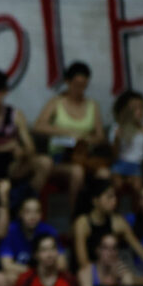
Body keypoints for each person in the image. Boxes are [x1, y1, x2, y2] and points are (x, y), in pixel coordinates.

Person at [33, 61, 107, 208]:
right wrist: (68, 133)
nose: (80, 89)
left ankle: (100, 215)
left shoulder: (92, 105)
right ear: (68, 82)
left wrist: (85, 139)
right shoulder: (56, 102)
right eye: (76, 84)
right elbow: (38, 126)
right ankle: (75, 216)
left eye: (84, 85)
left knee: (104, 173)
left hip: (84, 157)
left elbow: (100, 137)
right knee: (77, 172)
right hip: (60, 158)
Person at [0, 69, 52, 192]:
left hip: (11, 166)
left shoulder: (15, 115)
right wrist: (5, 147)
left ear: (5, 92)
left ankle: (28, 198)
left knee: (44, 162)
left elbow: (30, 148)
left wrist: (22, 152)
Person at [72, 179, 143, 281]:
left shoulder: (117, 222)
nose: (114, 201)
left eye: (115, 196)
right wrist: (104, 274)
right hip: (87, 275)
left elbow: (142, 252)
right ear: (95, 201)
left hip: (110, 271)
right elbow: (83, 262)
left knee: (127, 275)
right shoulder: (82, 223)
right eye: (109, 197)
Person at [0, 196, 66, 286]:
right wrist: (33, 272)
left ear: (41, 214)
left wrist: (40, 272)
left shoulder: (49, 231)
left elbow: (62, 264)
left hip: (45, 274)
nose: (32, 216)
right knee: (10, 277)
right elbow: (7, 265)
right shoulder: (10, 231)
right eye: (28, 212)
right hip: (22, 274)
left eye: (36, 212)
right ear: (20, 213)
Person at [110, 89, 143, 193]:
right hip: (119, 164)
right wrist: (117, 139)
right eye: (134, 108)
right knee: (116, 184)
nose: (139, 111)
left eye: (141, 107)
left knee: (137, 187)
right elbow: (114, 155)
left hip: (135, 166)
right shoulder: (117, 129)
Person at [13, 234, 78, 286]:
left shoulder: (69, 280)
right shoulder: (25, 280)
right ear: (35, 254)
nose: (49, 254)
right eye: (44, 250)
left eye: (53, 248)